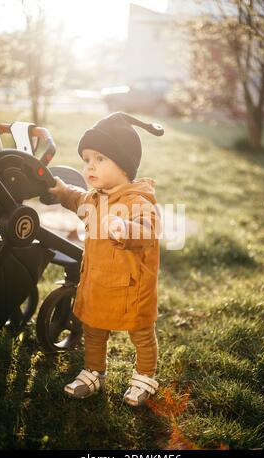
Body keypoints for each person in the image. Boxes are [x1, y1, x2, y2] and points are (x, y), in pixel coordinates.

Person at [48, 112, 163, 407]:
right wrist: (62, 192)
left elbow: (150, 230)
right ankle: (94, 371)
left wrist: (126, 228)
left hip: (131, 286)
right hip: (97, 281)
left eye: (100, 158)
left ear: (123, 164)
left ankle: (144, 375)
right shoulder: (93, 198)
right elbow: (76, 198)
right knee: (93, 328)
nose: (89, 166)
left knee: (141, 333)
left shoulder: (138, 201)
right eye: (86, 159)